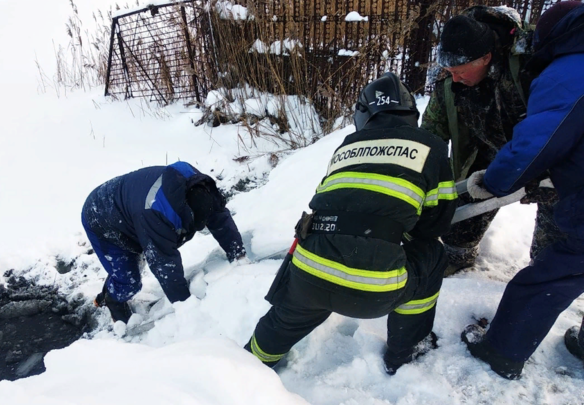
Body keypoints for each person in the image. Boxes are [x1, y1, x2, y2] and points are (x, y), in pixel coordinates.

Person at [244, 73, 457, 374]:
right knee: (433, 255)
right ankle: (404, 350)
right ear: (411, 114)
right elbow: (435, 224)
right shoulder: (431, 147)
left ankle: (247, 367)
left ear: (363, 115)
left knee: (284, 320)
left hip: (307, 273)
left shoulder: (346, 147)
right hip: (373, 294)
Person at [461, 1, 584, 380]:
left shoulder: (570, 70)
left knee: (547, 278)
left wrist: (493, 182)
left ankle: (500, 351)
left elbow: (537, 141)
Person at [421, 6, 560, 275]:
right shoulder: (452, 80)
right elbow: (431, 135)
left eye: (460, 71)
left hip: (549, 155)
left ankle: (545, 283)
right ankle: (458, 257)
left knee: (553, 243)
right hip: (486, 151)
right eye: (450, 71)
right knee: (459, 225)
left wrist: (541, 171)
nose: (455, 78)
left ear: (485, 58)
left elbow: (561, 119)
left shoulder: (530, 66)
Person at [81, 161, 246, 323]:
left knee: (142, 254)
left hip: (131, 208)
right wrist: (185, 306)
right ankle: (112, 300)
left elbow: (220, 219)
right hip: (101, 216)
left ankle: (114, 282)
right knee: (128, 281)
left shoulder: (201, 186)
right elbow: (164, 263)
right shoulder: (155, 211)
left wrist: (238, 254)